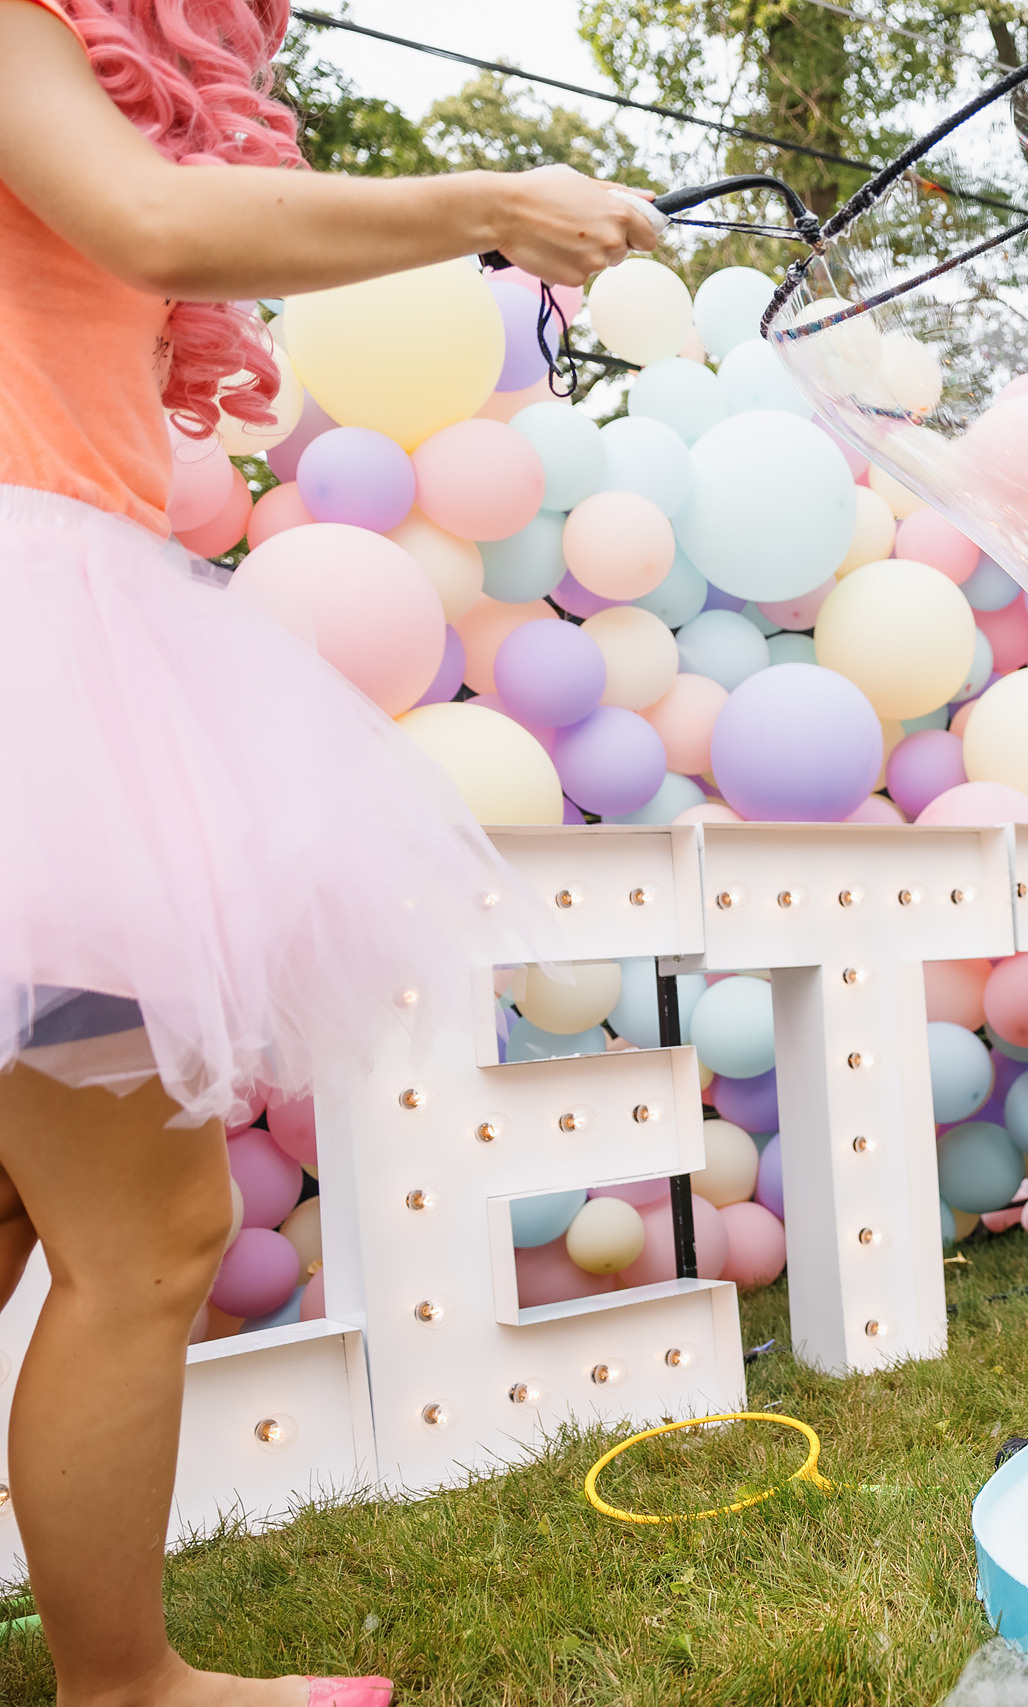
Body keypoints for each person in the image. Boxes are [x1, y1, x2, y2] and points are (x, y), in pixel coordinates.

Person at [0, 3, 659, 1702]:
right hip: (31, 661)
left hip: (51, 645)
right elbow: (148, 222)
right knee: (149, 1236)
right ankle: (125, 1687)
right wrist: (489, 198)